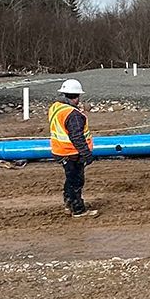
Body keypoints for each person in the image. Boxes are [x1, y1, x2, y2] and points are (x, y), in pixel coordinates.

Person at [48, 78, 96, 217]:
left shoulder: (56, 107)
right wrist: (86, 154)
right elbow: (77, 137)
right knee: (76, 181)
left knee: (70, 179)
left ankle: (69, 204)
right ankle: (78, 209)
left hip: (59, 151)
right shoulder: (73, 115)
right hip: (72, 153)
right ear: (77, 96)